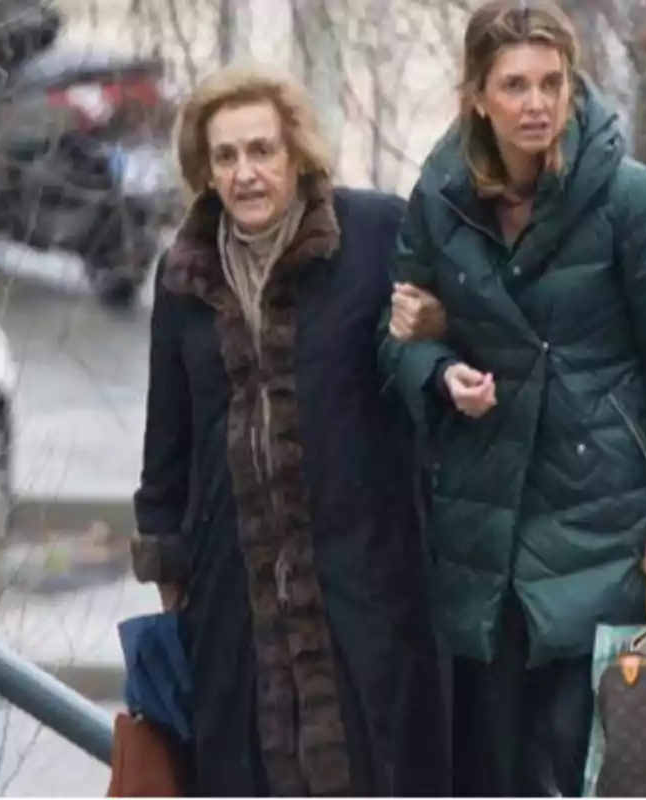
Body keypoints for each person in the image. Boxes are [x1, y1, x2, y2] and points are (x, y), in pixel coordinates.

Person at [381, 0, 646, 796]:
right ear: (477, 95)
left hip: (607, 530)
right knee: (489, 776)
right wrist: (439, 373)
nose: (537, 103)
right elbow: (395, 334)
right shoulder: (439, 201)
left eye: (553, 82)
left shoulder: (629, 199)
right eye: (515, 85)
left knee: (598, 771)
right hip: (485, 538)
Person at [130, 60, 449, 797]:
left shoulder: (374, 235)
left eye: (261, 150)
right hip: (234, 608)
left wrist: (435, 327)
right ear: (205, 172)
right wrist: (174, 579)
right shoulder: (184, 273)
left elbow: (436, 357)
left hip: (366, 597)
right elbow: (166, 440)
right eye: (226, 156)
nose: (246, 173)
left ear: (297, 153)